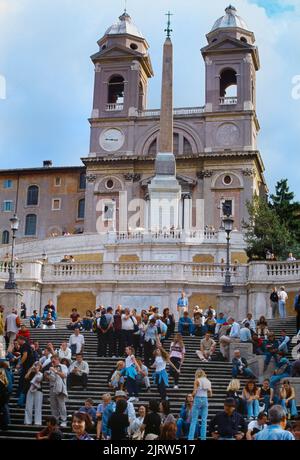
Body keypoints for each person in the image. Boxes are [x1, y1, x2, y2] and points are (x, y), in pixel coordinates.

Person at [44, 355, 68, 427]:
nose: (53, 362)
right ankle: (55, 421)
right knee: (53, 406)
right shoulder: (51, 368)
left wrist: (55, 371)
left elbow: (64, 375)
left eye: (54, 360)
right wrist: (46, 376)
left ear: (58, 360)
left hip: (60, 388)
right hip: (52, 388)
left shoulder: (63, 366)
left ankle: (64, 420)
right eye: (52, 361)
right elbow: (52, 379)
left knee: (61, 405)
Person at [188, 369, 212, 441]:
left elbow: (194, 392)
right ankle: (203, 438)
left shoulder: (197, 380)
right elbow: (210, 394)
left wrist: (191, 395)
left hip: (198, 399)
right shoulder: (208, 381)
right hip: (205, 399)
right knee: (204, 420)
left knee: (194, 420)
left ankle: (190, 438)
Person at [16, 335, 35, 407]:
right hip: (28, 367)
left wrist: (19, 364)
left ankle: (21, 401)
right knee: (25, 383)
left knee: (23, 383)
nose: (17, 342)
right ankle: (22, 400)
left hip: (27, 368)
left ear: (21, 340)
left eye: (18, 340)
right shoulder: (26, 345)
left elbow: (25, 355)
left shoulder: (24, 346)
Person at [24, 362, 44, 426]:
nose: (36, 366)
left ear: (40, 367)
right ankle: (27, 421)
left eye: (38, 366)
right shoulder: (31, 373)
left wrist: (37, 371)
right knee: (28, 405)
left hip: (38, 391)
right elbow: (26, 377)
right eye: (35, 365)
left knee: (38, 406)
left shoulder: (41, 373)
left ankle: (37, 422)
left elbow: (40, 380)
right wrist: (30, 370)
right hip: (29, 390)